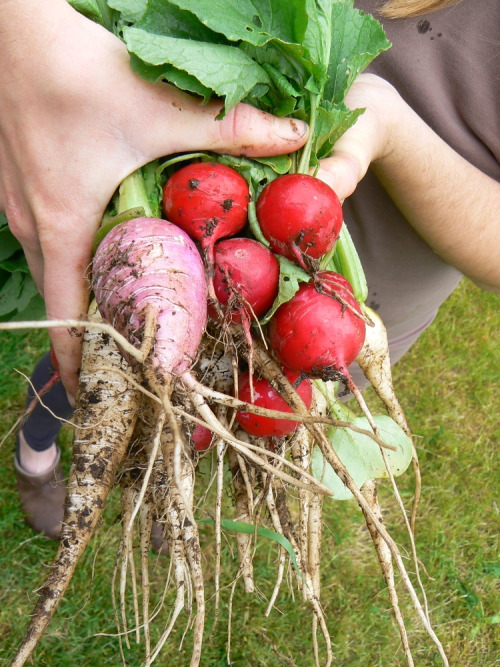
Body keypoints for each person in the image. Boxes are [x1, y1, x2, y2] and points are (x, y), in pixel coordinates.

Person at [2, 0, 498, 540]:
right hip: (172, 263)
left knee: (184, 400)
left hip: (322, 323)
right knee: (93, 363)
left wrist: (395, 126)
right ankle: (38, 452)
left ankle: (168, 483)